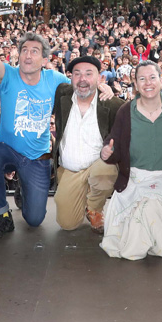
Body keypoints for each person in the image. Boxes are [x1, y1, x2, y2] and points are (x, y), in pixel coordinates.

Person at [0, 5, 69, 241]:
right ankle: (2, 216)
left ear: (45, 59)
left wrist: (105, 88)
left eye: (35, 51)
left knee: (35, 220)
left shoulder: (55, 79)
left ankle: (22, 188)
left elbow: (82, 86)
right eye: (24, 50)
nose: (28, 55)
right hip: (6, 148)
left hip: (36, 156)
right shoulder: (8, 74)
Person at [99, 60, 162, 259]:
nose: (147, 83)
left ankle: (159, 242)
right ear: (136, 84)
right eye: (142, 79)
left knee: (148, 207)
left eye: (152, 77)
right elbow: (113, 143)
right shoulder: (125, 111)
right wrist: (107, 152)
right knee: (130, 220)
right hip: (134, 178)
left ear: (161, 80)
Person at [52, 55, 121, 232]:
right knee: (67, 224)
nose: (82, 79)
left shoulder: (112, 104)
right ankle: (81, 195)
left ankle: (94, 208)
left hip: (97, 166)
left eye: (89, 74)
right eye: (77, 74)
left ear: (100, 78)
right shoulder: (62, 94)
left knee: (105, 171)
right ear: (71, 78)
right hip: (70, 169)